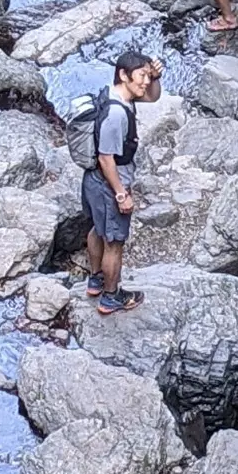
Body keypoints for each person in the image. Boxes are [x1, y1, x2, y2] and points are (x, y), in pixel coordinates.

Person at [81, 52, 162, 314]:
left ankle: (96, 280)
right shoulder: (116, 114)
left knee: (98, 230)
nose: (146, 82)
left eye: (148, 75)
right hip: (108, 182)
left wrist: (157, 77)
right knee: (114, 243)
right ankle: (111, 296)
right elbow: (106, 159)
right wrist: (120, 194)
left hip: (92, 180)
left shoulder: (115, 94)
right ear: (124, 75)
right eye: (142, 76)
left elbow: (153, 97)